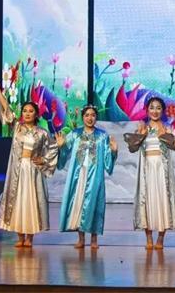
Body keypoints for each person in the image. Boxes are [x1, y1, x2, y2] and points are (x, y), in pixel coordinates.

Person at [0, 80, 58, 248]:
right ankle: (20, 237)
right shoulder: (17, 128)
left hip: (33, 171)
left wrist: (43, 159)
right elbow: (6, 109)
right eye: (25, 111)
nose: (27, 114)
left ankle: (30, 238)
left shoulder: (42, 133)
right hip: (18, 170)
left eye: (31, 111)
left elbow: (52, 149)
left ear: (36, 114)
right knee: (19, 201)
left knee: (31, 201)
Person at [124, 97, 175, 250]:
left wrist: (165, 135)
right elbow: (132, 148)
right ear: (147, 110)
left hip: (162, 170)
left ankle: (161, 238)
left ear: (162, 111)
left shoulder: (168, 127)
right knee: (147, 200)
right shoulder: (143, 127)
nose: (155, 111)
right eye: (152, 107)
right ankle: (149, 237)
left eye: (158, 108)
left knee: (163, 200)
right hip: (147, 170)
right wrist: (140, 135)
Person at [56, 105, 118, 249]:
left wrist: (113, 151)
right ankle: (81, 239)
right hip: (78, 175)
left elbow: (107, 159)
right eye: (87, 115)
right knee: (78, 203)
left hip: (95, 175)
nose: (90, 118)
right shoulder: (75, 134)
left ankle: (94, 239)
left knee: (94, 203)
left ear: (96, 117)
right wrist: (61, 146)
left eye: (93, 115)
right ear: (82, 117)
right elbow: (65, 148)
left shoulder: (102, 136)